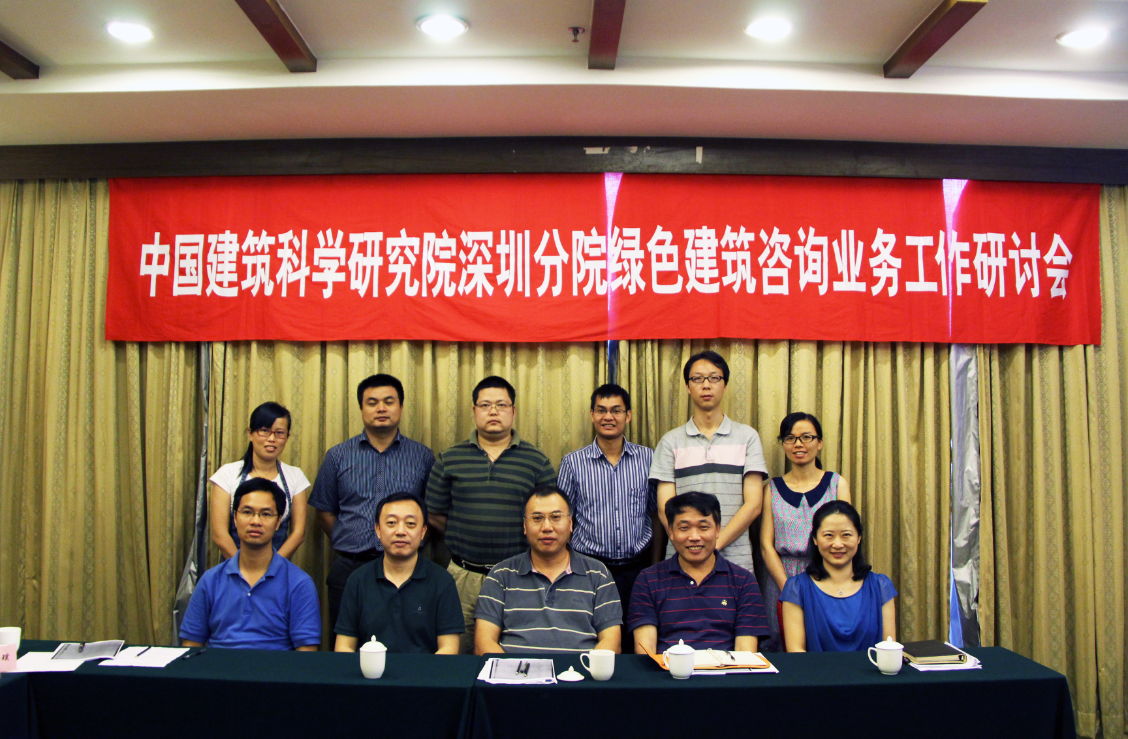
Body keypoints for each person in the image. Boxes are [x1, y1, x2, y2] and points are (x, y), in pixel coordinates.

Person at [426, 375, 557, 653]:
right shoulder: (449, 459)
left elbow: (549, 517)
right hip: (463, 577)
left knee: (517, 652)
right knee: (457, 652)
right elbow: (435, 514)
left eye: (501, 405)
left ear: (513, 411)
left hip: (520, 576)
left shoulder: (536, 461)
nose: (493, 411)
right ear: (474, 411)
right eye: (485, 405)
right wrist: (468, 531)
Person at [309, 374, 435, 632]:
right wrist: (349, 538)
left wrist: (413, 542)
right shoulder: (338, 456)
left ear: (401, 407)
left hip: (407, 566)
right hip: (349, 567)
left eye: (389, 401)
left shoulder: (422, 456)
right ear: (361, 408)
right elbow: (324, 511)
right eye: (372, 402)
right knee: (347, 640)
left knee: (407, 639)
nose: (381, 408)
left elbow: (431, 513)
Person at [557, 383, 657, 653]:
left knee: (635, 642)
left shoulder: (648, 458)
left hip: (637, 570)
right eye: (601, 410)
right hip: (588, 569)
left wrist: (655, 562)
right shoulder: (573, 463)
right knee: (591, 641)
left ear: (628, 415)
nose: (608, 417)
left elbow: (656, 514)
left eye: (616, 410)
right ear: (592, 415)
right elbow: (563, 521)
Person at [649, 350, 768, 572]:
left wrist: (713, 545)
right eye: (697, 378)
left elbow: (754, 505)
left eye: (714, 378)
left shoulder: (747, 437)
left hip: (736, 562)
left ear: (725, 385)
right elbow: (665, 509)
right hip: (682, 560)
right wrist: (694, 546)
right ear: (687, 386)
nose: (706, 385)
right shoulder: (670, 441)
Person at [474, 485, 622, 655]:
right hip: (514, 671)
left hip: (581, 670)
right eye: (537, 518)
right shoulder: (500, 575)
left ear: (570, 523)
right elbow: (483, 643)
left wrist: (584, 669)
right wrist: (513, 671)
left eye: (556, 517)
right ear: (524, 525)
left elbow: (612, 642)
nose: (546, 527)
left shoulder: (598, 574)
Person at [181, 478, 321, 650]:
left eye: (266, 514)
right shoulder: (210, 581)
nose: (255, 521)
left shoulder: (299, 583)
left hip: (276, 667)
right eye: (247, 512)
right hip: (218, 666)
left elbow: (306, 653)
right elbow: (191, 645)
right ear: (235, 518)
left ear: (278, 522)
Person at [628, 492, 768, 653]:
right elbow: (646, 651)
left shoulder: (743, 581)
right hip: (667, 668)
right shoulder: (648, 580)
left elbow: (746, 652)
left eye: (703, 527)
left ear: (717, 529)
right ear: (671, 531)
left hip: (726, 668)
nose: (694, 537)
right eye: (684, 528)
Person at [760, 412, 852, 651]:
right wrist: (789, 589)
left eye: (806, 437)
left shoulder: (837, 484)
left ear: (819, 443)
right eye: (790, 438)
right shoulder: (772, 489)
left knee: (827, 642)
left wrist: (824, 585)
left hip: (828, 576)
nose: (798, 444)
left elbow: (846, 539)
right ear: (783, 444)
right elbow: (766, 545)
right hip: (782, 578)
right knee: (783, 647)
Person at [334, 492, 463, 654]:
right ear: (378, 529)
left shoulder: (442, 581)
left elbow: (449, 648)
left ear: (423, 531)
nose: (400, 531)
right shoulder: (358, 580)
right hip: (369, 670)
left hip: (424, 670)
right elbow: (343, 646)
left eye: (410, 524)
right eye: (391, 523)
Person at [781, 500, 897, 652]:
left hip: (872, 668)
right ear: (815, 539)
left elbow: (889, 648)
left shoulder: (880, 586)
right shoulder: (797, 588)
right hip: (815, 668)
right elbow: (796, 651)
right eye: (829, 535)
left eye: (846, 535)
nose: (837, 544)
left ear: (859, 537)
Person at [208, 402, 310, 559]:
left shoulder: (295, 476)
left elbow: (298, 533)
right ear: (250, 433)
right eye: (264, 431)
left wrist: (273, 568)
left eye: (279, 433)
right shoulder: (227, 474)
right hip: (233, 565)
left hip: (278, 566)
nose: (271, 439)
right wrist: (242, 568)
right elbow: (219, 534)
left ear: (287, 437)